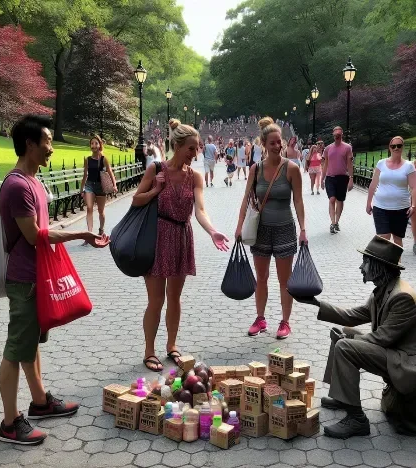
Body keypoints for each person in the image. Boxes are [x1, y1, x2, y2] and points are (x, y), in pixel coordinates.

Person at [0, 115, 101, 445]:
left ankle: (40, 402)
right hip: (25, 280)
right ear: (30, 144)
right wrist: (79, 233)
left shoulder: (33, 181)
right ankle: (10, 423)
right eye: (47, 142)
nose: (51, 149)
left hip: (37, 278)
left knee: (31, 345)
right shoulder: (17, 186)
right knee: (15, 350)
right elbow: (33, 236)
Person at [292, 235, 416, 438]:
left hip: (412, 364)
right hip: (396, 352)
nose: (361, 267)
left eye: (365, 262)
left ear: (378, 266)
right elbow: (351, 316)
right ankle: (343, 397)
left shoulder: (401, 297)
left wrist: (349, 342)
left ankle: (357, 419)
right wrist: (315, 303)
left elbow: (382, 339)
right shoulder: (383, 289)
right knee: (344, 334)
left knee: (345, 345)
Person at [133, 119, 229, 372]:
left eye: (197, 148)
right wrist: (156, 189)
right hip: (157, 237)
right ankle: (149, 351)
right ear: (176, 146)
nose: (195, 153)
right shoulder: (156, 169)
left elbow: (200, 210)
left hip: (181, 236)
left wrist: (212, 231)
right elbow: (136, 200)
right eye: (191, 148)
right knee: (156, 300)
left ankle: (171, 346)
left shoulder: (195, 176)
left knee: (174, 297)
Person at [236, 117, 307, 340]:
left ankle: (285, 322)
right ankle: (260, 318)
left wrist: (303, 229)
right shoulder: (255, 169)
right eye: (272, 143)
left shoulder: (292, 168)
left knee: (284, 280)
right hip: (261, 230)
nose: (277, 146)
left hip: (285, 228)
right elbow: (247, 199)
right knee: (262, 277)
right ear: (264, 145)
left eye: (279, 142)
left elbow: (298, 201)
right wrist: (238, 227)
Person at [366, 136, 416, 247]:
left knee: (397, 241)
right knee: (383, 239)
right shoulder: (381, 163)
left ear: (402, 147)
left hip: (401, 208)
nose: (396, 148)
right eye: (393, 146)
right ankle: (383, 265)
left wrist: (413, 206)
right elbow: (373, 185)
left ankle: (395, 264)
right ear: (389, 148)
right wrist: (368, 203)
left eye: (399, 146)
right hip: (380, 207)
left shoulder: (409, 166)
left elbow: (414, 187)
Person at [80, 135, 117, 240]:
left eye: (96, 143)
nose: (94, 145)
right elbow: (85, 175)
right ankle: (89, 235)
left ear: (100, 145)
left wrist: (114, 185)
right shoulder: (87, 159)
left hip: (101, 187)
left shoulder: (104, 159)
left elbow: (110, 173)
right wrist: (82, 189)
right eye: (92, 143)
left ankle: (101, 231)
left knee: (101, 211)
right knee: (89, 208)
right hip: (89, 185)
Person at [322, 127, 354, 234]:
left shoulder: (347, 148)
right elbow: (325, 164)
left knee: (340, 200)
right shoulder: (327, 149)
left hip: (342, 178)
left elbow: (349, 164)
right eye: (335, 135)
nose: (337, 137)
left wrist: (351, 179)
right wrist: (322, 179)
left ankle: (336, 221)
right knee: (332, 199)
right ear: (333, 135)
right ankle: (332, 223)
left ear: (342, 135)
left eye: (339, 135)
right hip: (330, 178)